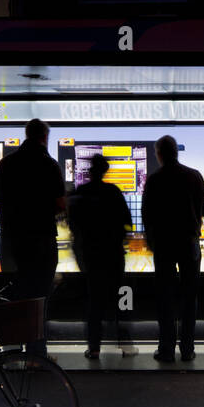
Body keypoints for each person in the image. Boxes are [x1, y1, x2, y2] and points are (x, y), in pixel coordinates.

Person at [0, 119, 64, 357]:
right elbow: (60, 204)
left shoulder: (7, 163)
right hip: (41, 240)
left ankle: (11, 349)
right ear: (44, 137)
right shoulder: (49, 165)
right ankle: (35, 353)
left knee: (12, 293)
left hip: (11, 239)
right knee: (38, 295)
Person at [141, 134, 204, 362]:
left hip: (163, 244)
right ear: (176, 152)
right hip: (189, 243)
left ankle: (166, 349)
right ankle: (188, 350)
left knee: (165, 297)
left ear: (159, 154)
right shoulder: (194, 176)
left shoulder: (154, 180)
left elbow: (146, 215)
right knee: (189, 297)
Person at [67, 154, 136, 359]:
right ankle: (125, 346)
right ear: (105, 170)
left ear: (90, 171)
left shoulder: (81, 193)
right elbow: (127, 222)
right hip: (113, 254)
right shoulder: (113, 192)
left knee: (94, 302)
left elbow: (73, 225)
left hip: (90, 255)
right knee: (120, 302)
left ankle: (94, 347)